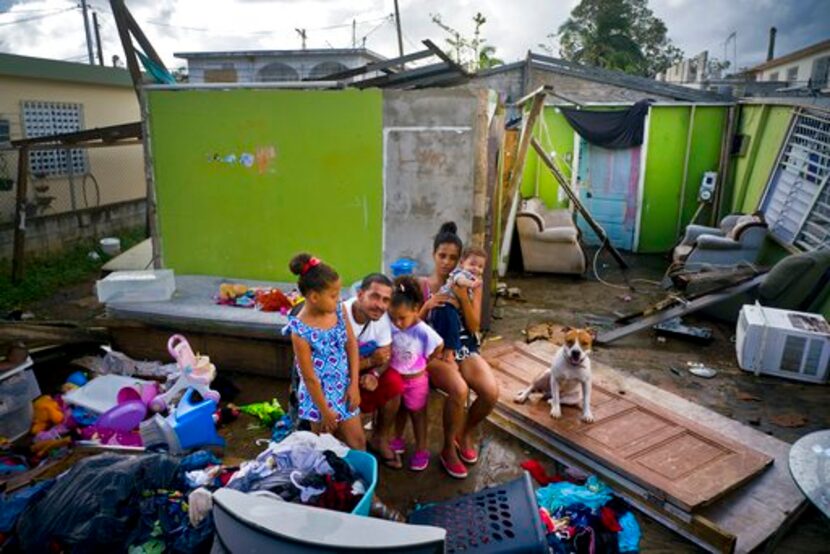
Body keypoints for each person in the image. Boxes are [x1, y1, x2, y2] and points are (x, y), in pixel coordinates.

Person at [417, 222, 499, 479]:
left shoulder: (471, 285)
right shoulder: (422, 285)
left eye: (453, 258)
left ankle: (463, 433)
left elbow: (474, 325)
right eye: (442, 256)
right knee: (459, 390)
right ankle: (447, 449)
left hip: (464, 347)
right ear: (433, 255)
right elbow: (406, 325)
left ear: (460, 261)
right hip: (432, 352)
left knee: (490, 393)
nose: (447, 262)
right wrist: (427, 305)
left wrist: (463, 296)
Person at [286, 253, 365, 450]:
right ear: (313, 297)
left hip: (344, 388)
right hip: (318, 398)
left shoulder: (338, 310)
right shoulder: (300, 331)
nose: (338, 299)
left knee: (358, 442)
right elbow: (310, 378)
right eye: (333, 295)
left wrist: (354, 384)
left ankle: (355, 479)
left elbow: (351, 345)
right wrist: (325, 411)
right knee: (324, 448)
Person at [342, 273, 405, 468]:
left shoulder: (381, 318)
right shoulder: (340, 316)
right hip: (337, 378)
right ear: (360, 294)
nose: (380, 305)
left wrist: (375, 373)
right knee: (353, 443)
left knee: (394, 381)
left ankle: (380, 438)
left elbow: (385, 356)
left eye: (386, 300)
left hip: (363, 372)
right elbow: (332, 368)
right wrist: (369, 362)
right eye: (375, 296)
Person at [387, 276, 443, 471]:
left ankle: (421, 449)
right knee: (399, 410)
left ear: (415, 309)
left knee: (418, 415)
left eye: (402, 317)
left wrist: (426, 362)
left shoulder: (422, 330)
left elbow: (439, 345)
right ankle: (397, 439)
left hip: (416, 381)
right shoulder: (392, 325)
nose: (398, 322)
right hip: (396, 379)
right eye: (394, 317)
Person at [429, 246, 488, 361]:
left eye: (480, 267)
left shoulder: (475, 282)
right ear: (462, 263)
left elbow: (474, 326)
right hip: (445, 306)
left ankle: (451, 350)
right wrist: (471, 285)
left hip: (465, 337)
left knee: (454, 323)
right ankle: (448, 350)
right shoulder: (461, 274)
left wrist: (463, 297)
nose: (476, 269)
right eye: (472, 264)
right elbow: (460, 280)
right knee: (450, 322)